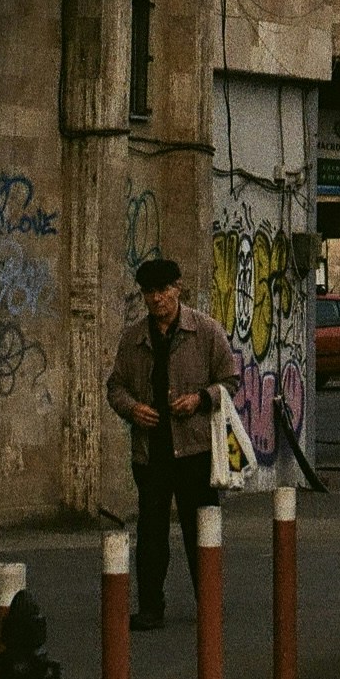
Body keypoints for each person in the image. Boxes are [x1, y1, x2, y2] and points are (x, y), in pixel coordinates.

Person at [105, 256, 238, 631]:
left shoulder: (206, 332)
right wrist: (133, 409)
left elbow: (230, 380)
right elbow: (115, 387)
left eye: (163, 291)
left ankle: (209, 603)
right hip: (151, 452)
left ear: (177, 289)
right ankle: (150, 607)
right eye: (149, 292)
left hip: (194, 450)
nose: (156, 300)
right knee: (151, 532)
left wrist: (200, 398)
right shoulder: (133, 339)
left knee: (201, 530)